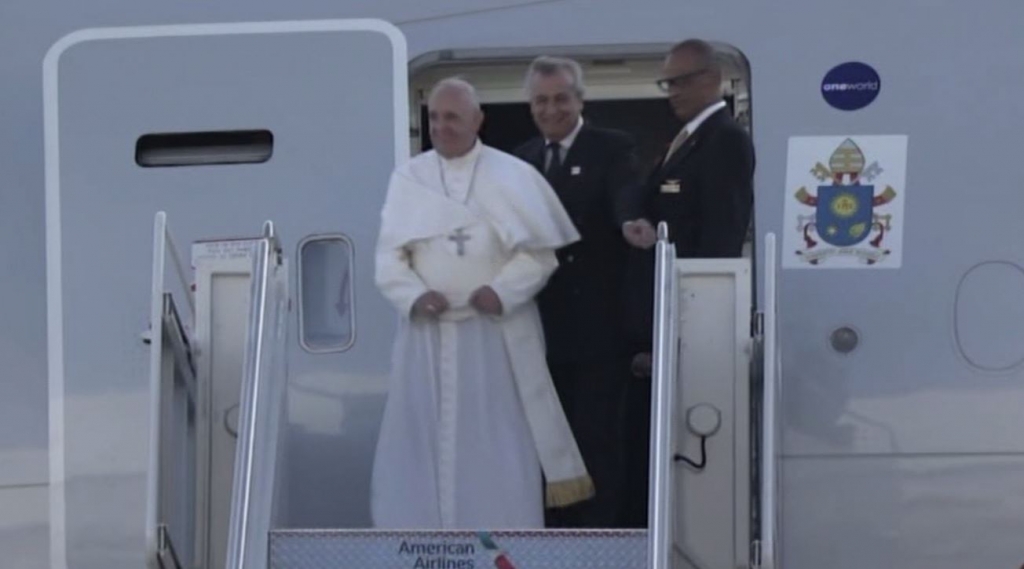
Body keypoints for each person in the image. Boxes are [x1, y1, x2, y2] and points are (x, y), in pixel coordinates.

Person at [370, 77, 593, 529]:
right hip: (426, 339)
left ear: (477, 120)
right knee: (420, 443)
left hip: (494, 335)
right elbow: (388, 257)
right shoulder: (408, 178)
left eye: (451, 117)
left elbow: (539, 254)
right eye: (433, 117)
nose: (441, 127)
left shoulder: (512, 174)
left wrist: (502, 290)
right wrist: (413, 295)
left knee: (496, 442)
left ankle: (504, 543)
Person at [619, 39, 755, 527]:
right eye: (667, 81)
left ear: (712, 79)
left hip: (688, 327)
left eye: (680, 80)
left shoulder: (724, 140)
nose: (670, 91)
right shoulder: (686, 139)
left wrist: (684, 334)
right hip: (661, 321)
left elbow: (720, 238)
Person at [512, 56, 646, 528]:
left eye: (560, 98)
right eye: (540, 100)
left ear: (579, 99)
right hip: (537, 330)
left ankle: (601, 542)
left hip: (597, 333)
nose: (551, 109)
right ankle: (553, 542)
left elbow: (624, 193)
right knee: (544, 441)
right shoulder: (521, 160)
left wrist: (629, 222)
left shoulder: (611, 147)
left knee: (596, 442)